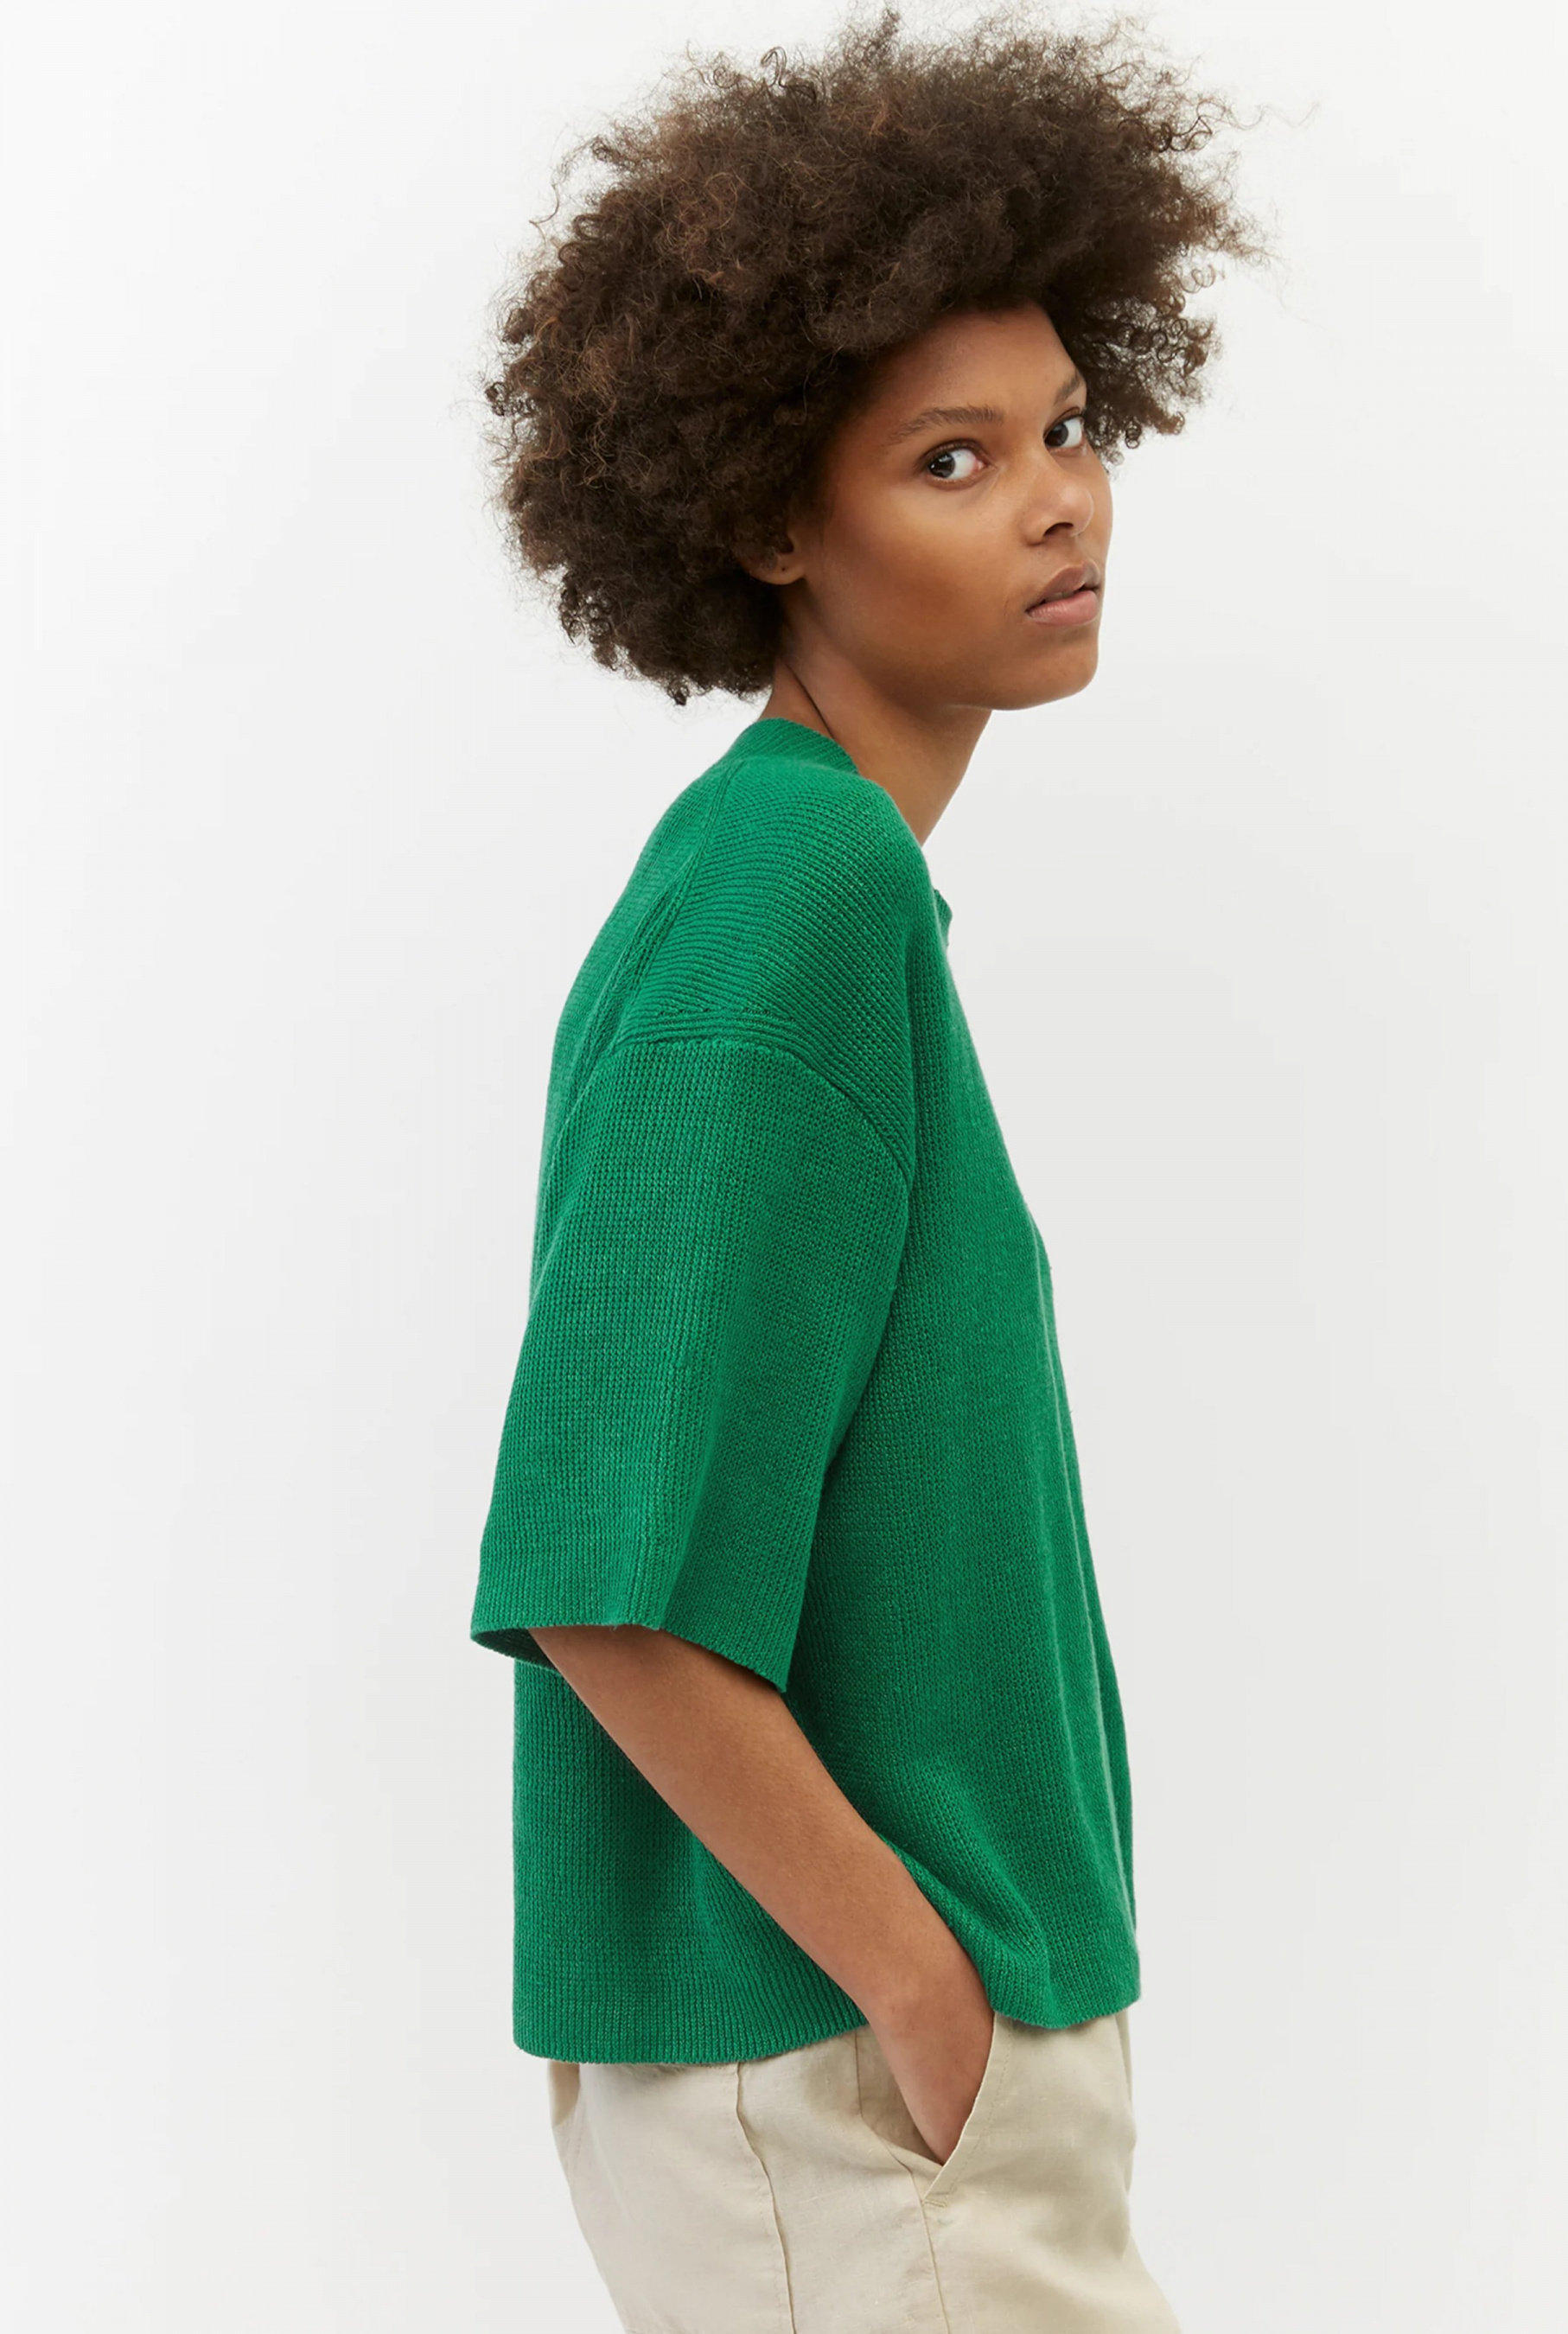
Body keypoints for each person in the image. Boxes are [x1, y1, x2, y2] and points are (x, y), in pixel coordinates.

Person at [468, 7, 1266, 2326]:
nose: (1057, 501)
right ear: (767, 518)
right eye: (950, 457)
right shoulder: (790, 894)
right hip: (849, 2090)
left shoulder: (800, 876)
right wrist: (926, 1996)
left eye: (1068, 426)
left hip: (855, 2088)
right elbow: (605, 1570)